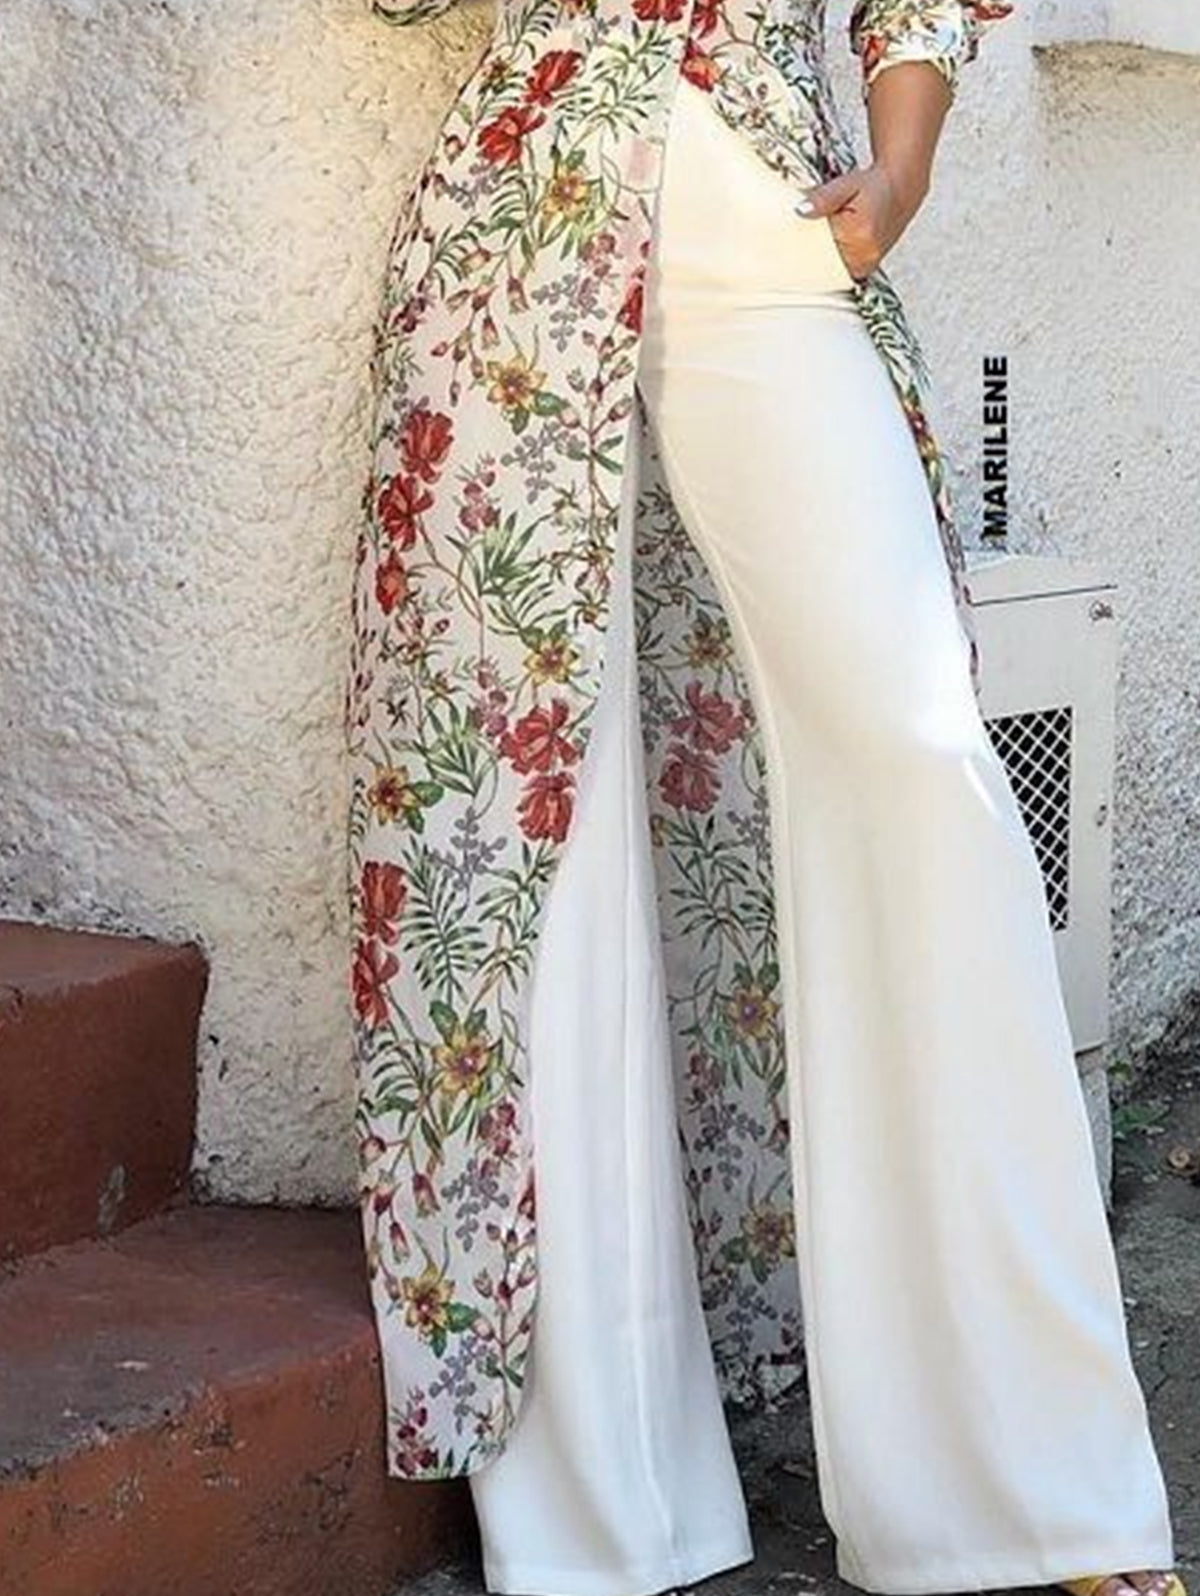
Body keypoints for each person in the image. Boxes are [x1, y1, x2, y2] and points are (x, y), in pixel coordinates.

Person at [346, 2, 1186, 1595]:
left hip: (769, 207)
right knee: (531, 817)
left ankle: (1033, 1489)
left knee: (916, 747)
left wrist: (903, 167)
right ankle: (604, 1510)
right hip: (523, 214)